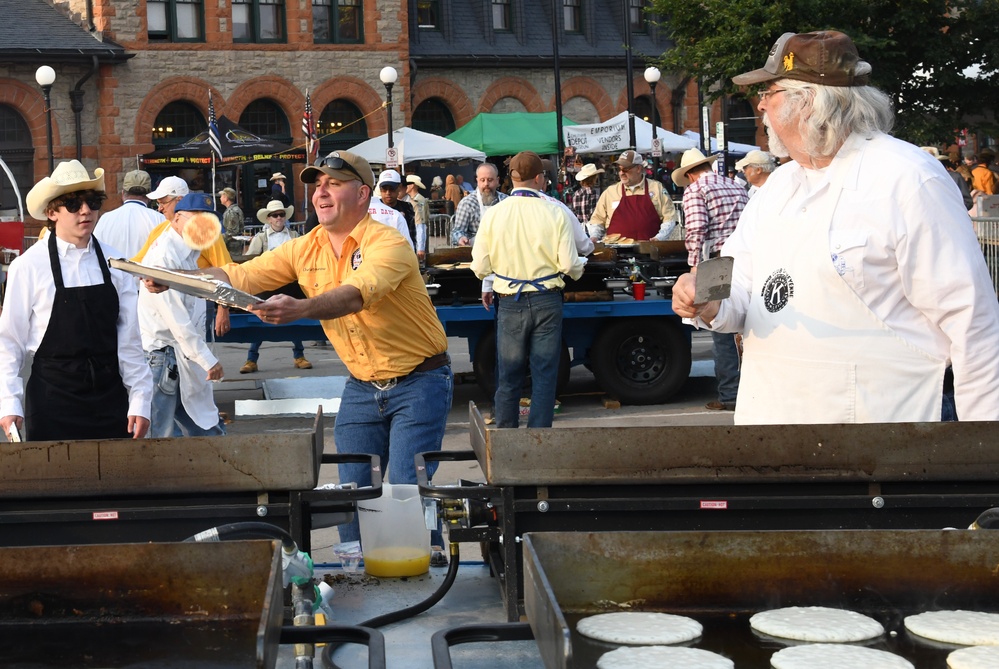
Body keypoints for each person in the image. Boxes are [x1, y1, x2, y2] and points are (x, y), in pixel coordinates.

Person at [672, 30, 999, 423]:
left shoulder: (907, 178)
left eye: (768, 91)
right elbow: (733, 275)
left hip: (885, 441)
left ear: (807, 102)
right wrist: (703, 298)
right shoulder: (778, 184)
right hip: (773, 430)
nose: (760, 105)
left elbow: (974, 325)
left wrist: (982, 448)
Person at [180, 151, 452, 543]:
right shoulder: (304, 246)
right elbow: (242, 274)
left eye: (333, 184)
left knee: (407, 492)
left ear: (362, 194)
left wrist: (302, 308)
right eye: (317, 185)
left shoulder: (387, 241)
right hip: (362, 384)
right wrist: (179, 278)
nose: (320, 193)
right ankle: (356, 573)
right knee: (350, 494)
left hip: (419, 381)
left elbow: (356, 295)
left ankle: (427, 572)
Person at [0, 160, 152, 441]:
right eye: (73, 204)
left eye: (92, 202)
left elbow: (130, 341)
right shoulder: (29, 265)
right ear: (52, 212)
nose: (85, 211)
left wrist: (141, 400)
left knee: (117, 481)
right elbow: (10, 342)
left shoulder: (116, 263)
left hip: (109, 396)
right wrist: (8, 403)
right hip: (51, 400)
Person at [470, 151, 585, 429]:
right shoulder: (555, 210)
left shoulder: (494, 214)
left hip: (510, 301)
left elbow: (479, 267)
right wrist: (580, 266)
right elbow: (570, 264)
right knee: (545, 375)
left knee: (509, 375)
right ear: (539, 178)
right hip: (547, 299)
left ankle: (506, 439)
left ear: (510, 178)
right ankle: (539, 441)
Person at [138, 192, 226, 437]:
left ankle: (222, 470)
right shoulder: (164, 255)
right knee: (161, 437)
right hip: (164, 356)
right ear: (177, 218)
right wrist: (207, 359)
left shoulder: (188, 252)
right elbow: (177, 320)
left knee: (204, 425)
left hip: (179, 354)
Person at [672, 148, 749, 412]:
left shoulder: (696, 190)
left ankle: (729, 393)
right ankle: (749, 389)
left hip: (718, 262)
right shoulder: (734, 185)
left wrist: (694, 269)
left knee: (720, 329)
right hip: (749, 259)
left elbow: (696, 230)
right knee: (747, 328)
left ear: (690, 174)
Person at [135, 176, 234, 339]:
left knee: (194, 353)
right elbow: (139, 262)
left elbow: (226, 271)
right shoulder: (159, 230)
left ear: (179, 200)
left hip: (197, 302)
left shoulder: (207, 232)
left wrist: (223, 309)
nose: (159, 208)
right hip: (164, 305)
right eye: (158, 203)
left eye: (163, 202)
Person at [239, 200, 312, 373]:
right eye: (275, 215)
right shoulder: (261, 238)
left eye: (281, 214)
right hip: (268, 285)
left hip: (291, 284)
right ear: (268, 219)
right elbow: (249, 261)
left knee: (295, 320)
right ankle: (251, 359)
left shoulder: (295, 236)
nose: (279, 218)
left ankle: (299, 356)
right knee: (261, 321)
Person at [588, 150, 679, 242]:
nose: (621, 173)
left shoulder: (656, 188)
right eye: (619, 169)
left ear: (638, 168)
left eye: (625, 169)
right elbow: (597, 220)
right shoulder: (610, 192)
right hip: (616, 251)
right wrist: (594, 237)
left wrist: (659, 238)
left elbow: (669, 218)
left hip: (649, 249)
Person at [93, 169, 164, 259]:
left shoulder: (105, 219)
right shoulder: (159, 219)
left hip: (113, 272)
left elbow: (94, 253)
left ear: (123, 193)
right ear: (149, 195)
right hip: (146, 273)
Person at [451, 162, 508, 246]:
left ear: (497, 181)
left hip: (503, 250)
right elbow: (457, 231)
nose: (486, 184)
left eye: (490, 180)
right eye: (482, 180)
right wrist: (460, 238)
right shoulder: (467, 203)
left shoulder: (506, 201)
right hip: (476, 252)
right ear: (477, 181)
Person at [375, 169, 417, 248]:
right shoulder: (373, 208)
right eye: (384, 189)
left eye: (392, 188)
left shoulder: (407, 207)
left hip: (401, 251)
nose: (388, 193)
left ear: (399, 188)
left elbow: (411, 234)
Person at [404, 174, 430, 262]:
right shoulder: (409, 199)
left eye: (407, 184)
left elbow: (420, 225)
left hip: (417, 240)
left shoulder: (419, 201)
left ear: (412, 185)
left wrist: (420, 247)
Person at [218, 187, 244, 255]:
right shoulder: (235, 209)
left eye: (222, 196)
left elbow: (232, 231)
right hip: (234, 244)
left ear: (226, 198)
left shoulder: (231, 211)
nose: (220, 198)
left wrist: (219, 239)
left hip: (232, 246)